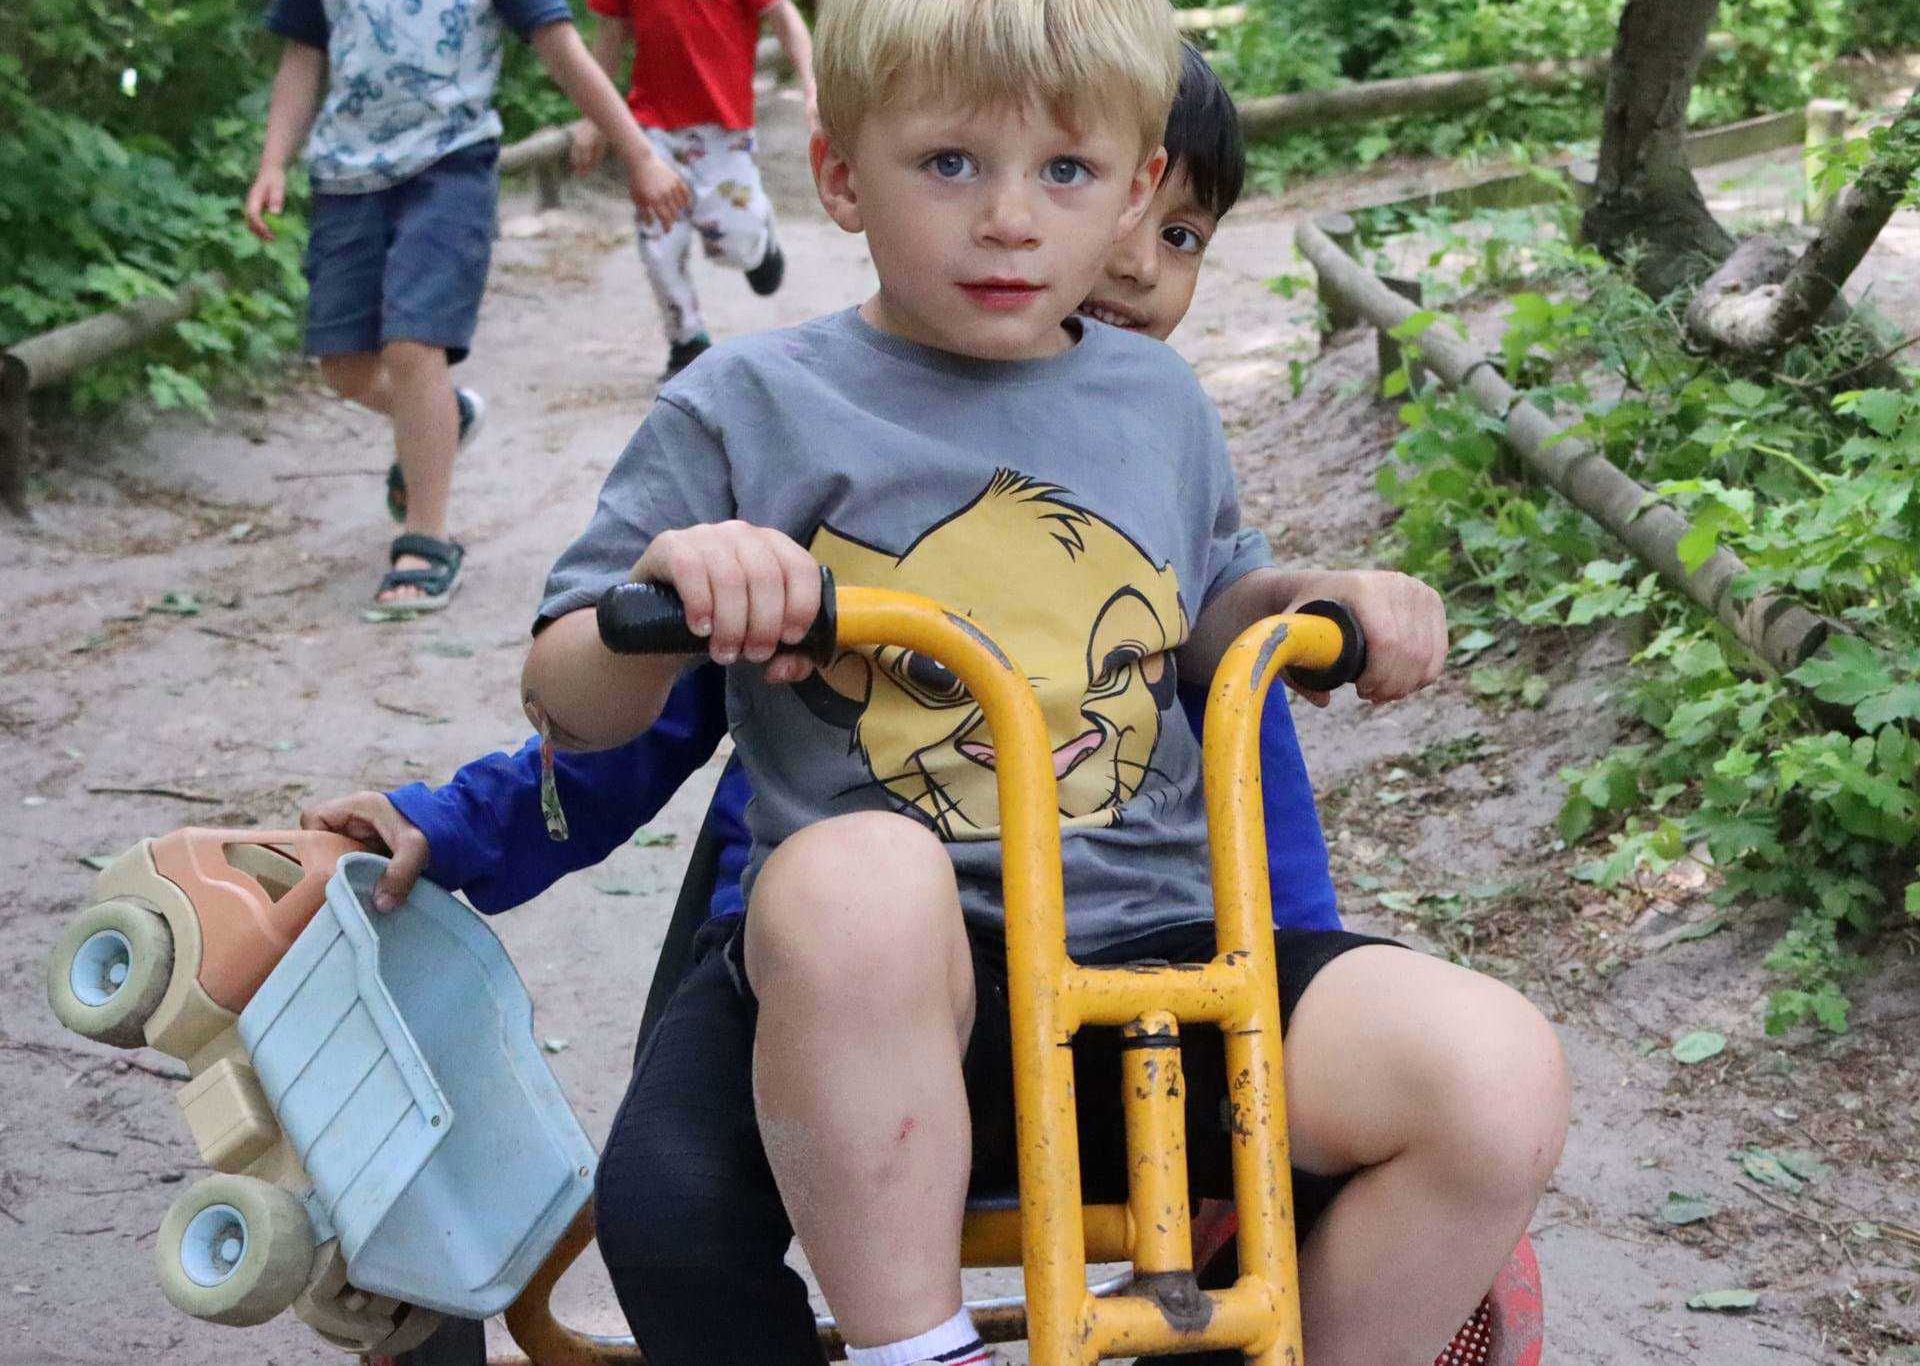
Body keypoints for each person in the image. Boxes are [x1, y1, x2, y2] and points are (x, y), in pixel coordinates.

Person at [516, 0, 1568, 1366]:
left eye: (1066, 169)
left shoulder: (1155, 401)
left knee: (1495, 1072)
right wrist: (672, 597)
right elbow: (570, 697)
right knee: (695, 1157)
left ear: (1137, 187)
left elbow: (1214, 623)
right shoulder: (746, 410)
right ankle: (910, 1351)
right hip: (875, 994)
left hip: (1154, 964)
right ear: (838, 175)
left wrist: (1318, 603)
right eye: (949, 160)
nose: (1011, 215)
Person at [303, 47, 1336, 949]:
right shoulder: (812, 452)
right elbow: (640, 717)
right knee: (682, 1172)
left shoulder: (1159, 503)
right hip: (834, 944)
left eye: (1181, 234)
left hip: (1128, 964)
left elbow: (1265, 813)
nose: (1134, 263)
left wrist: (1281, 1027)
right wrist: (451, 826)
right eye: (1097, 201)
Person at [243, 0, 689, 621]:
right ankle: (447, 414)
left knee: (415, 347)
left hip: (447, 169)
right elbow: (302, 56)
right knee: (342, 365)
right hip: (347, 176)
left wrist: (639, 152)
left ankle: (426, 539)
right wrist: (272, 160)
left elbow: (562, 49)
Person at [568, 0, 818, 379]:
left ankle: (760, 246)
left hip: (723, 126)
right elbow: (605, 44)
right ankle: (687, 340)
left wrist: (811, 85)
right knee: (658, 242)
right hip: (648, 127)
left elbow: (785, 18)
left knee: (729, 239)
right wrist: (592, 120)